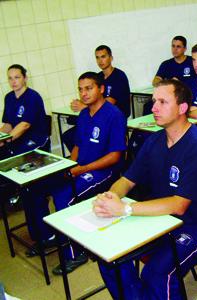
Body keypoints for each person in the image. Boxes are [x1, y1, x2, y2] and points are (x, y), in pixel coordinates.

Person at [93, 79, 197, 299]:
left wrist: (125, 209)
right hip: (159, 220)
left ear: (182, 108)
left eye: (162, 102)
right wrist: (111, 196)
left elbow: (179, 205)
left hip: (196, 226)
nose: (153, 108)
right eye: (154, 101)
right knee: (109, 259)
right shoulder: (154, 141)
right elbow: (128, 179)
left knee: (157, 274)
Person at [23, 72, 127, 275]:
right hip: (81, 166)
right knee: (36, 187)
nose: (84, 93)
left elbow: (115, 156)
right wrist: (66, 167)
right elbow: (78, 147)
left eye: (89, 88)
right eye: (80, 89)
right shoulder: (84, 115)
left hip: (104, 171)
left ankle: (76, 252)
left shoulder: (114, 114)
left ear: (101, 89)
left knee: (64, 197)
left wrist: (82, 169)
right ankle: (48, 237)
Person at [63, 45, 131, 151]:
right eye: (97, 57)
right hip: (97, 118)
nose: (100, 61)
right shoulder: (98, 76)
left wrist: (84, 106)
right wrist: (79, 102)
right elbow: (93, 97)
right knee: (69, 135)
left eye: (103, 56)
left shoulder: (119, 76)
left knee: (85, 138)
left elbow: (109, 103)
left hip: (113, 119)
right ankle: (82, 160)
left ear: (111, 58)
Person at [0, 64, 49, 158]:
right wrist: (1, 137)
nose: (13, 82)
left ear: (25, 78)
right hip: (17, 138)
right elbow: (8, 125)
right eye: (10, 78)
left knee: (14, 157)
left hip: (35, 139)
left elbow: (24, 125)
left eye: (17, 77)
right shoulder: (9, 97)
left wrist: (6, 140)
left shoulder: (32, 97)